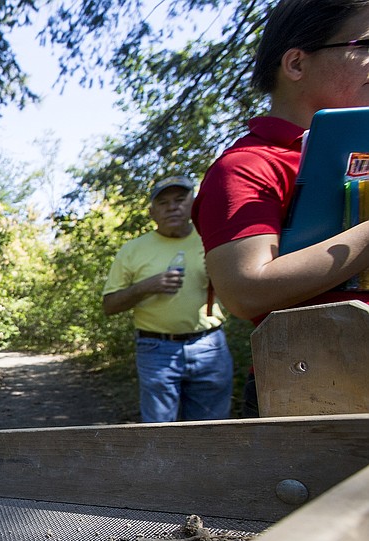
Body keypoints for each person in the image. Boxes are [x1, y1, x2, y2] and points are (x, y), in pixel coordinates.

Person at [192, 0, 369, 415]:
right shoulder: (247, 166)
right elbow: (245, 289)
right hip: (312, 391)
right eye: (366, 45)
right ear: (295, 64)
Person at [102, 175, 234, 422]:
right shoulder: (132, 250)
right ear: (152, 212)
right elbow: (109, 305)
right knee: (160, 432)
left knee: (213, 430)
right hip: (155, 349)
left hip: (210, 346)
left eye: (179, 199)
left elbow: (242, 291)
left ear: (192, 204)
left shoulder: (213, 240)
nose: (172, 207)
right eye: (163, 202)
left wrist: (221, 274)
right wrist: (145, 287)